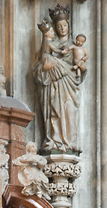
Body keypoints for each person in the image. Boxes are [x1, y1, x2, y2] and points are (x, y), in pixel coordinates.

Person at [34, 8, 83, 154]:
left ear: (69, 26)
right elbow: (38, 66)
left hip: (68, 85)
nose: (62, 28)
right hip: (52, 87)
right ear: (55, 28)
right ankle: (54, 140)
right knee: (54, 112)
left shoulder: (75, 46)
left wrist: (81, 66)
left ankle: (69, 142)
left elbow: (81, 67)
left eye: (65, 25)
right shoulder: (48, 45)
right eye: (59, 26)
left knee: (68, 110)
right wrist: (47, 67)